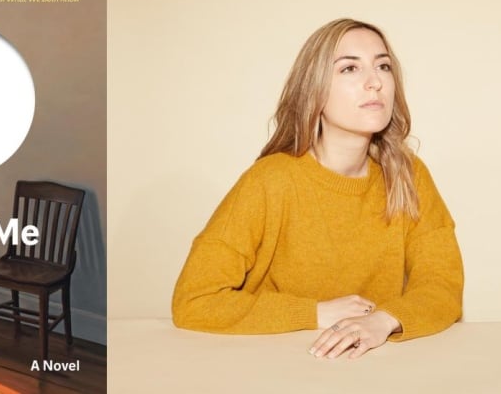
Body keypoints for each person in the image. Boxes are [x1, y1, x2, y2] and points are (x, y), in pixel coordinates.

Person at [171, 18, 464, 359]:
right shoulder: (270, 180)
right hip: (277, 365)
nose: (375, 83)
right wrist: (315, 313)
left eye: (383, 66)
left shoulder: (408, 175)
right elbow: (193, 301)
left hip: (378, 369)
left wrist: (385, 321)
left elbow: (442, 285)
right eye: (350, 69)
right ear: (314, 89)